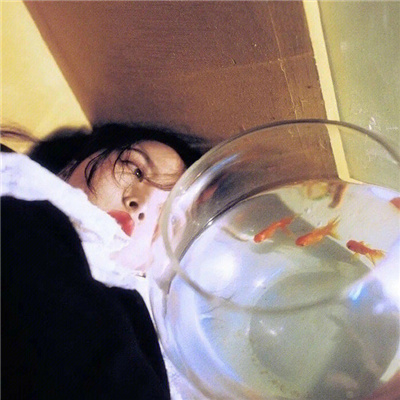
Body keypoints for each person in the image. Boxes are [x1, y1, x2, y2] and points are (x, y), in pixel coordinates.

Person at [1, 123, 209, 399]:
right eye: (136, 170)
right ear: (73, 164)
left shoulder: (158, 338)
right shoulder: (14, 192)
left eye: (167, 215)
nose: (140, 204)